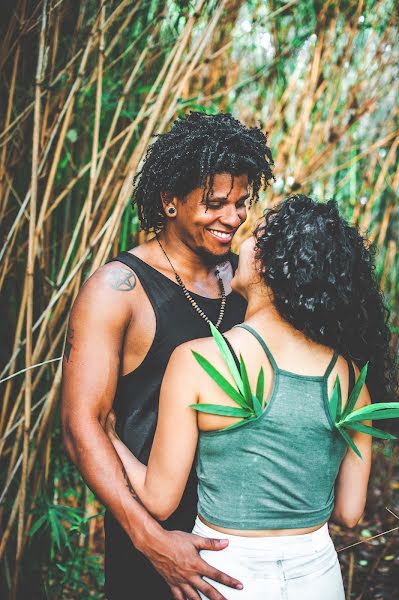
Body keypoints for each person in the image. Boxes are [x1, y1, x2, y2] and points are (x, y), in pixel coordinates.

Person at [105, 195, 397, 599]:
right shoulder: (350, 381)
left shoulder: (199, 361)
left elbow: (159, 499)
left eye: (255, 234)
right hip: (317, 575)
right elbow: (349, 511)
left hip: (228, 575)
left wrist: (111, 438)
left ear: (267, 263)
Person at [61, 111, 275, 599]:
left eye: (242, 203)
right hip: (158, 540)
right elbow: (81, 426)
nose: (233, 218)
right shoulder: (118, 290)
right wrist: (152, 541)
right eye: (215, 204)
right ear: (170, 201)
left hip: (240, 539)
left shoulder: (248, 279)